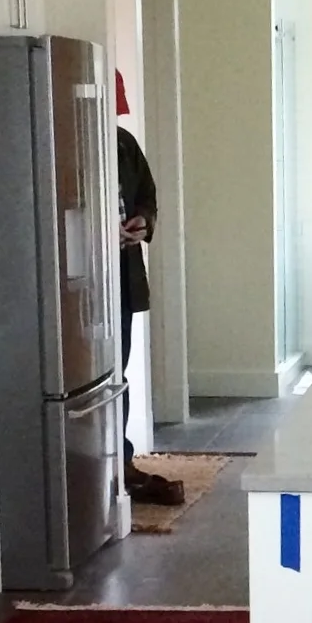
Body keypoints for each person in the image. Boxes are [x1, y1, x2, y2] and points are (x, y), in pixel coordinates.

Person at [114, 70, 183, 507]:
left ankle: (119, 467)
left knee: (112, 378)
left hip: (119, 280)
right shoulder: (59, 140)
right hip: (72, 279)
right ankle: (103, 468)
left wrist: (142, 223)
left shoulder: (123, 145)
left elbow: (148, 197)